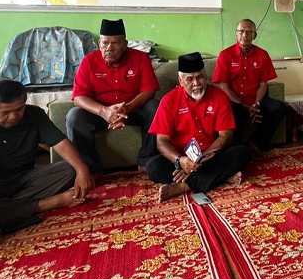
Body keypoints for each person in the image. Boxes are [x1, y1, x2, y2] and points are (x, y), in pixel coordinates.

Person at [0, 80, 95, 256]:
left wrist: (82, 169)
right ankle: (44, 204)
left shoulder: (34, 114)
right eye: (4, 112)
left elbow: (60, 142)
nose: (13, 117)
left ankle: (5, 210)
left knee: (71, 169)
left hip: (25, 180)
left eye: (19, 109)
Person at [146, 52, 251, 202]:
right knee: (153, 167)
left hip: (211, 155)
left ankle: (183, 186)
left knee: (242, 153)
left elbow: (225, 136)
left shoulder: (219, 96)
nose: (196, 83)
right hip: (182, 158)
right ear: (180, 81)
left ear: (206, 77)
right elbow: (161, 142)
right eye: (189, 79)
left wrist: (201, 160)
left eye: (200, 77)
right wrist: (181, 161)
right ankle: (221, 177)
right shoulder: (168, 101)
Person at [67, 18, 160, 172]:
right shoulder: (88, 61)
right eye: (105, 43)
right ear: (99, 45)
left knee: (155, 108)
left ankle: (147, 161)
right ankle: (91, 168)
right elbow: (79, 98)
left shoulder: (140, 58)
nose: (109, 48)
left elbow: (149, 91)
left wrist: (127, 108)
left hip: (132, 110)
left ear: (125, 44)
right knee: (74, 117)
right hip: (99, 112)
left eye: (115, 43)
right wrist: (104, 111)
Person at [213, 18, 286, 152]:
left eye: (249, 32)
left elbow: (263, 84)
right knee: (237, 112)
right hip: (235, 102)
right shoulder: (225, 55)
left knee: (279, 107)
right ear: (236, 34)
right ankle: (238, 149)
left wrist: (256, 105)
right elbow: (223, 86)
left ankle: (257, 143)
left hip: (255, 101)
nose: (245, 35)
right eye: (241, 31)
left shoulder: (262, 55)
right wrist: (243, 106)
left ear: (254, 36)